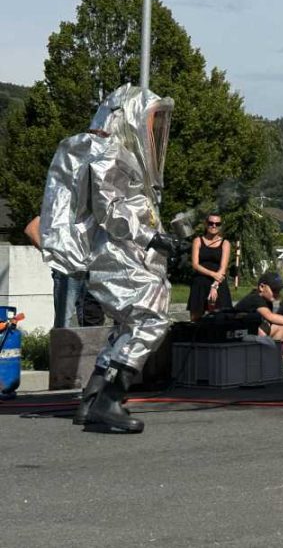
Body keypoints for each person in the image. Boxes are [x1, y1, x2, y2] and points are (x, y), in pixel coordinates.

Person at [38, 84, 180, 433]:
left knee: (125, 326)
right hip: (118, 255)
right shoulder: (110, 153)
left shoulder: (112, 154)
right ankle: (110, 400)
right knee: (151, 321)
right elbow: (111, 209)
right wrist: (153, 237)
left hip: (118, 254)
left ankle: (91, 398)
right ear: (127, 116)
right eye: (149, 121)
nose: (153, 132)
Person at [24, 215, 104, 328]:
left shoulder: (92, 213)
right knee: (64, 321)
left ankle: (90, 345)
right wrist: (52, 255)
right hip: (68, 272)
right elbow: (32, 228)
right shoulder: (64, 211)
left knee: (92, 320)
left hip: (92, 270)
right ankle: (61, 344)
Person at [235, 272, 283, 371]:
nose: (277, 294)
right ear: (262, 287)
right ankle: (271, 362)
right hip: (240, 339)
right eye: (274, 290)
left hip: (254, 337)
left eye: (279, 291)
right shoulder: (255, 298)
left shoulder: (268, 302)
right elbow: (270, 317)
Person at [186, 212, 232, 322]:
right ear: (206, 224)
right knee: (195, 318)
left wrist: (214, 286)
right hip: (200, 281)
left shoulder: (225, 243)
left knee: (222, 316)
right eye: (211, 223)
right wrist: (213, 274)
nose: (214, 226)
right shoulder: (198, 241)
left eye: (217, 223)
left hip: (218, 282)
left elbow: (223, 267)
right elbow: (195, 265)